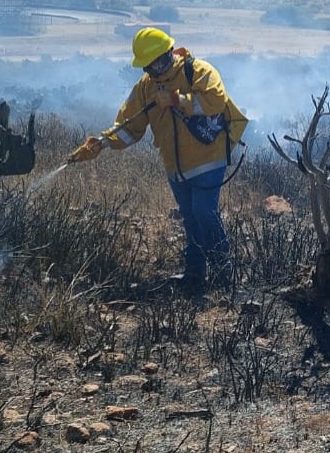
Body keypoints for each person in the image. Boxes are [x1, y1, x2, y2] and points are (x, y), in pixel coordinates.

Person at [66, 27, 244, 293]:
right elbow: (130, 126)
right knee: (190, 217)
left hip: (207, 161)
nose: (156, 70)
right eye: (149, 67)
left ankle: (224, 275)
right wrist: (102, 143)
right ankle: (195, 274)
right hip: (175, 168)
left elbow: (215, 101)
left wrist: (177, 99)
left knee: (204, 213)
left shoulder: (198, 71)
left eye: (160, 62)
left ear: (170, 52)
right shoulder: (146, 88)